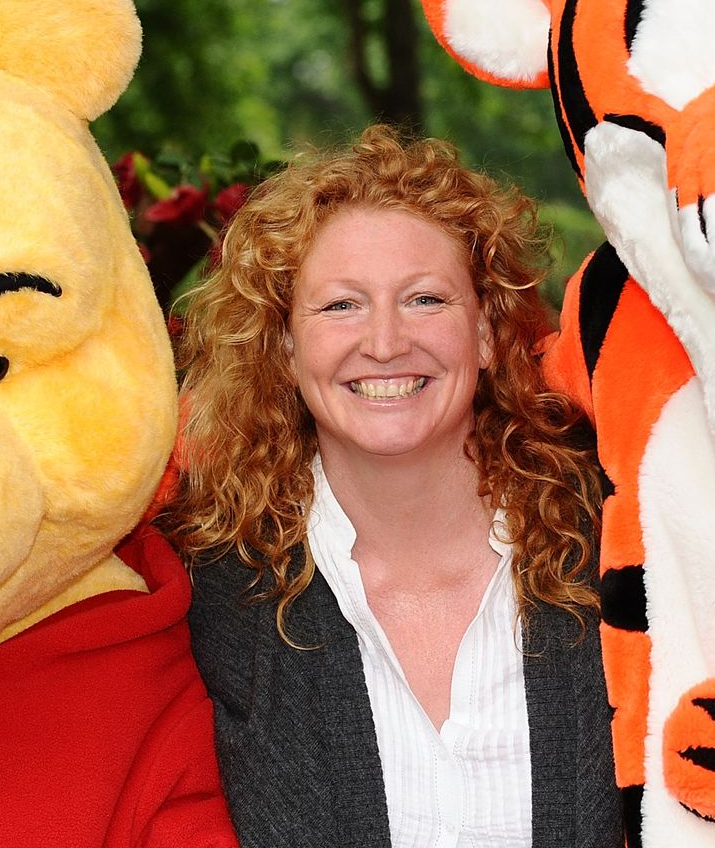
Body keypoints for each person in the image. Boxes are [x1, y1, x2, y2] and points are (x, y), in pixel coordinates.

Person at [160, 125, 623, 848]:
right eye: (340, 305)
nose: (383, 342)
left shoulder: (614, 548)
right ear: (284, 347)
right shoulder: (207, 585)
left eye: (426, 300)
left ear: (488, 333)